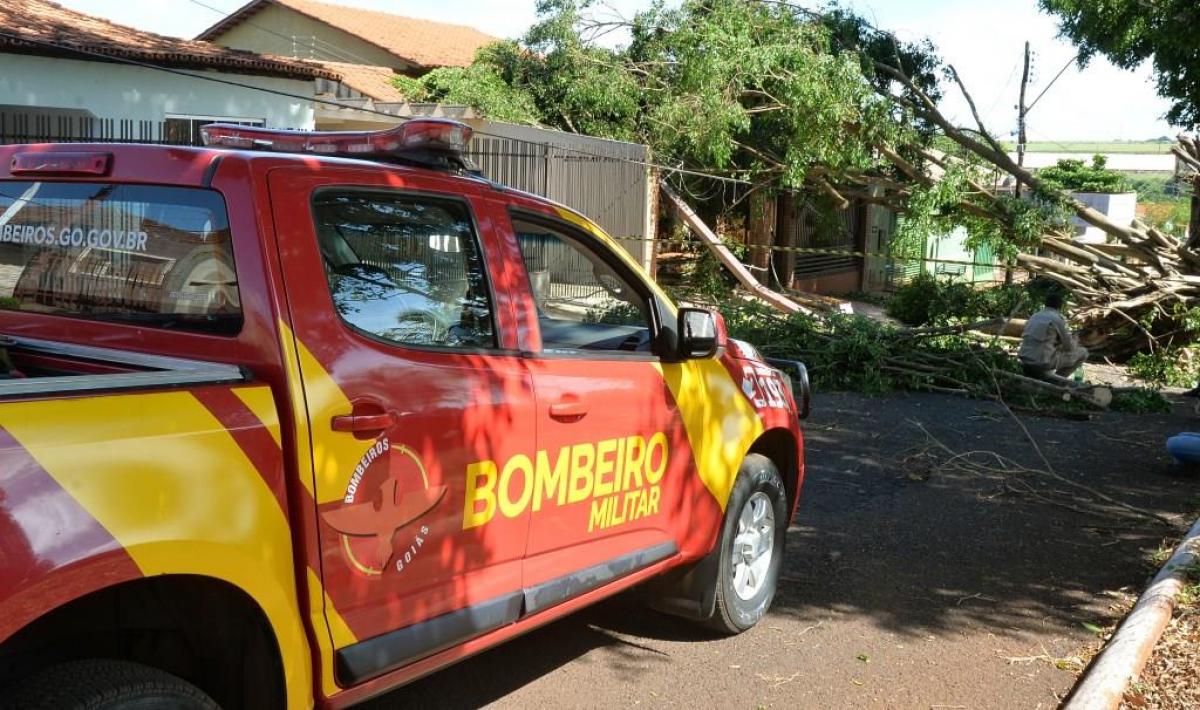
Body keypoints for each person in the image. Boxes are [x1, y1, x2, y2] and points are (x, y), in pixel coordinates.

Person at [1018, 292, 1088, 379]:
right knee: (1083, 352)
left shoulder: (1034, 316)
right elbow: (1069, 348)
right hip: (1040, 363)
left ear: (1045, 304)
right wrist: (1075, 339)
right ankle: (1057, 379)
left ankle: (1049, 375)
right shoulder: (1056, 319)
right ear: (1060, 307)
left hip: (1024, 359)